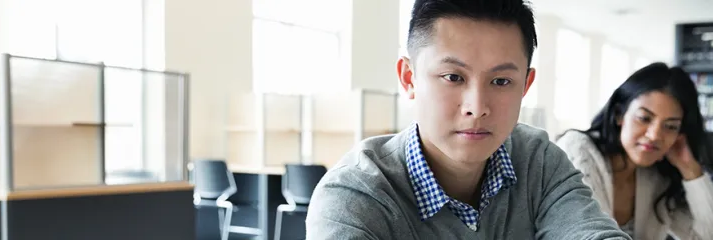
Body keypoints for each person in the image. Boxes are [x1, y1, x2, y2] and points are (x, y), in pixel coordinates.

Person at [304, 0, 629, 239]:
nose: (477, 107)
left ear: (525, 86)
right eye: (452, 77)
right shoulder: (355, 196)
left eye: (501, 81)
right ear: (409, 78)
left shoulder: (539, 162)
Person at [556, 63, 713, 240]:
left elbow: (706, 236)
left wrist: (690, 170)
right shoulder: (576, 150)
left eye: (670, 126)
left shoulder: (657, 176)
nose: (654, 135)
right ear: (619, 115)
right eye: (644, 118)